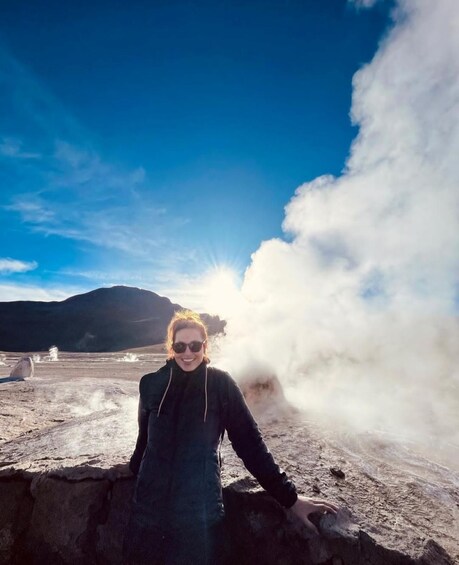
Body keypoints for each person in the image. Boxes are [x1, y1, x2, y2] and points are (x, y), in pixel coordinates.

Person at [123, 310, 337, 564]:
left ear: (205, 346)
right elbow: (144, 441)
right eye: (180, 346)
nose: (188, 353)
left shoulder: (220, 385)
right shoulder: (151, 384)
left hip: (199, 520)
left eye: (195, 345)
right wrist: (132, 469)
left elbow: (250, 444)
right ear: (171, 347)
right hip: (147, 516)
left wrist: (289, 498)